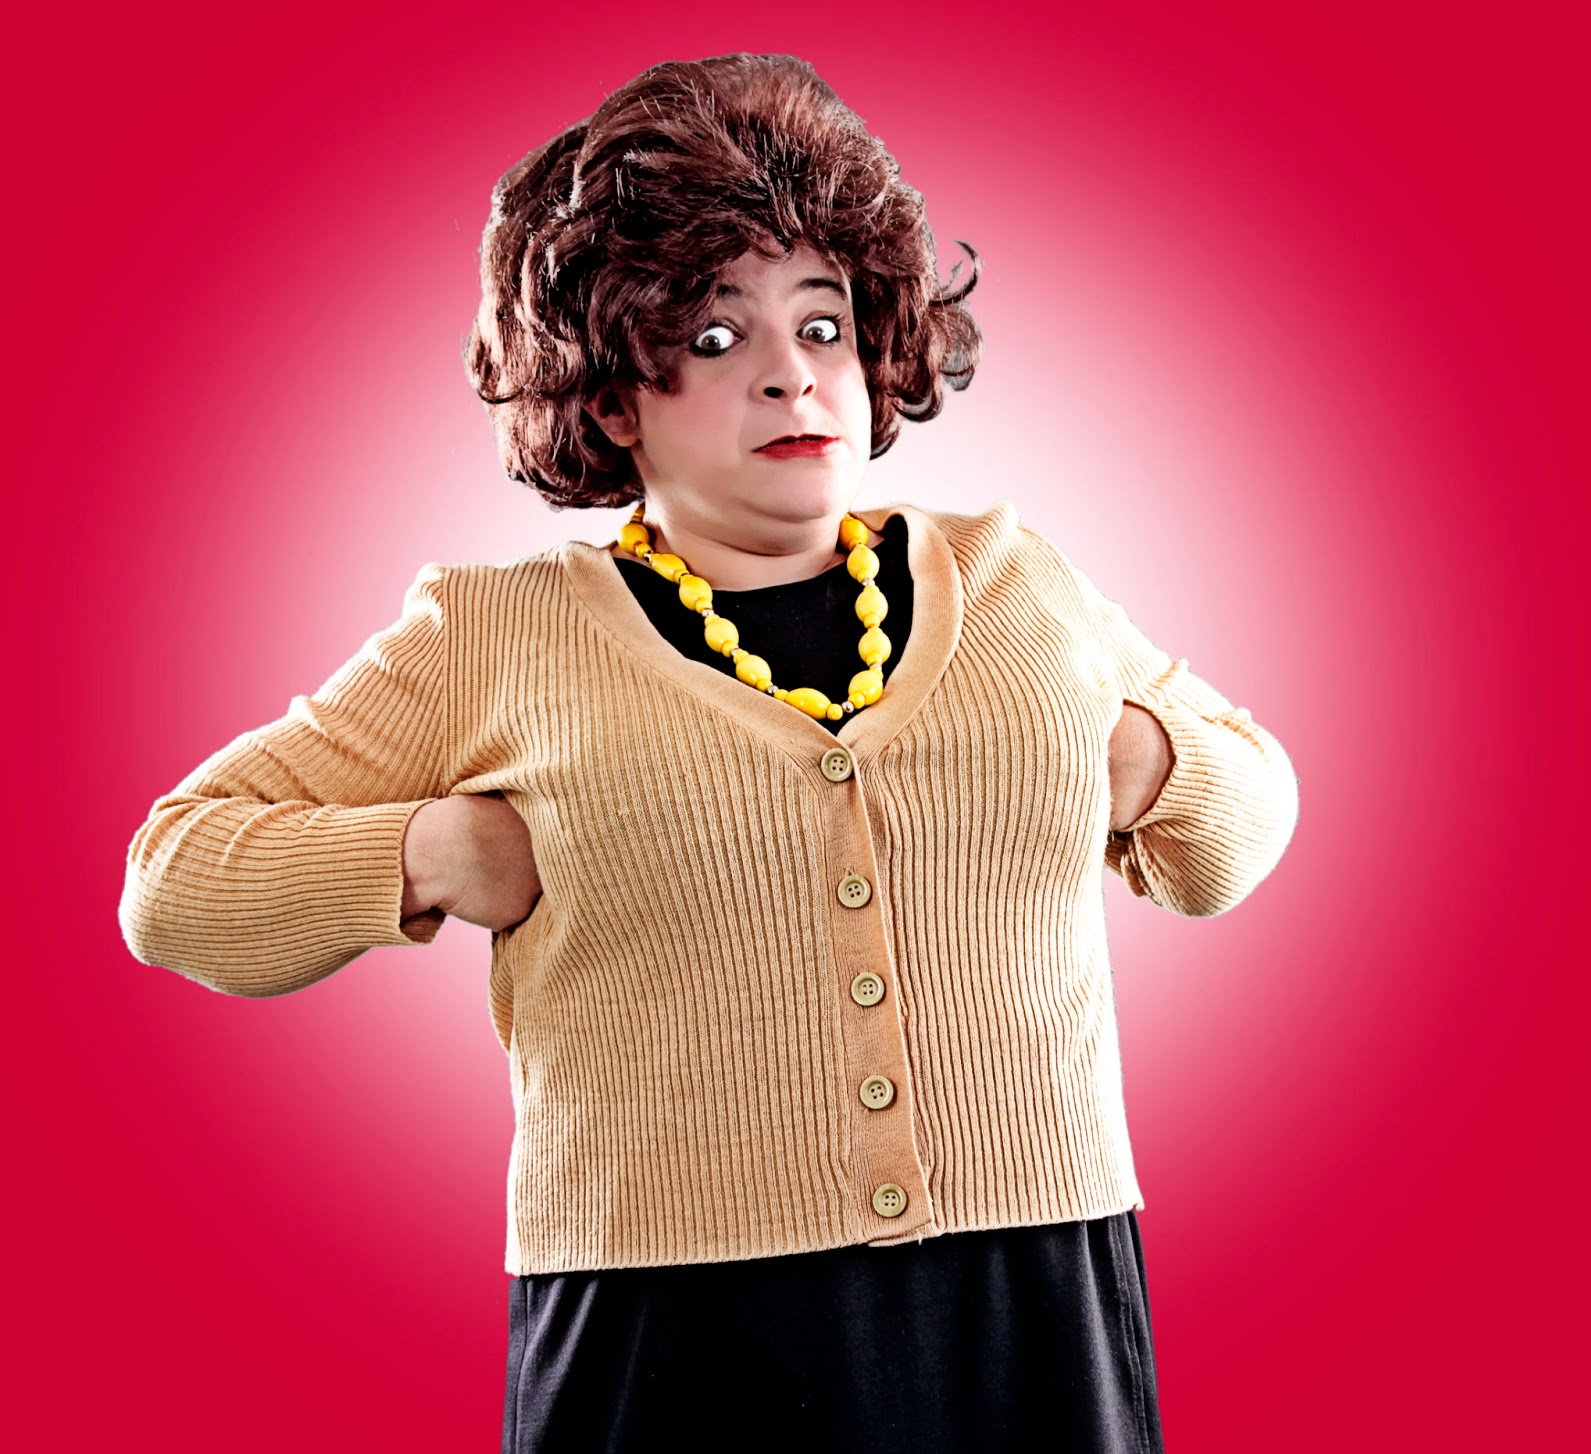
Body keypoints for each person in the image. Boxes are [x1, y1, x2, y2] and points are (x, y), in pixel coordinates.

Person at [119, 52, 1299, 1453]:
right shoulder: (493, 636)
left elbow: (1246, 810)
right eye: (721, 336)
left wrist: (1154, 764)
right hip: (665, 1324)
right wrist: (430, 853)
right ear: (613, 399)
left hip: (1031, 1299)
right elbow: (172, 880)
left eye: (825, 324)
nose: (794, 376)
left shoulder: (1015, 582)